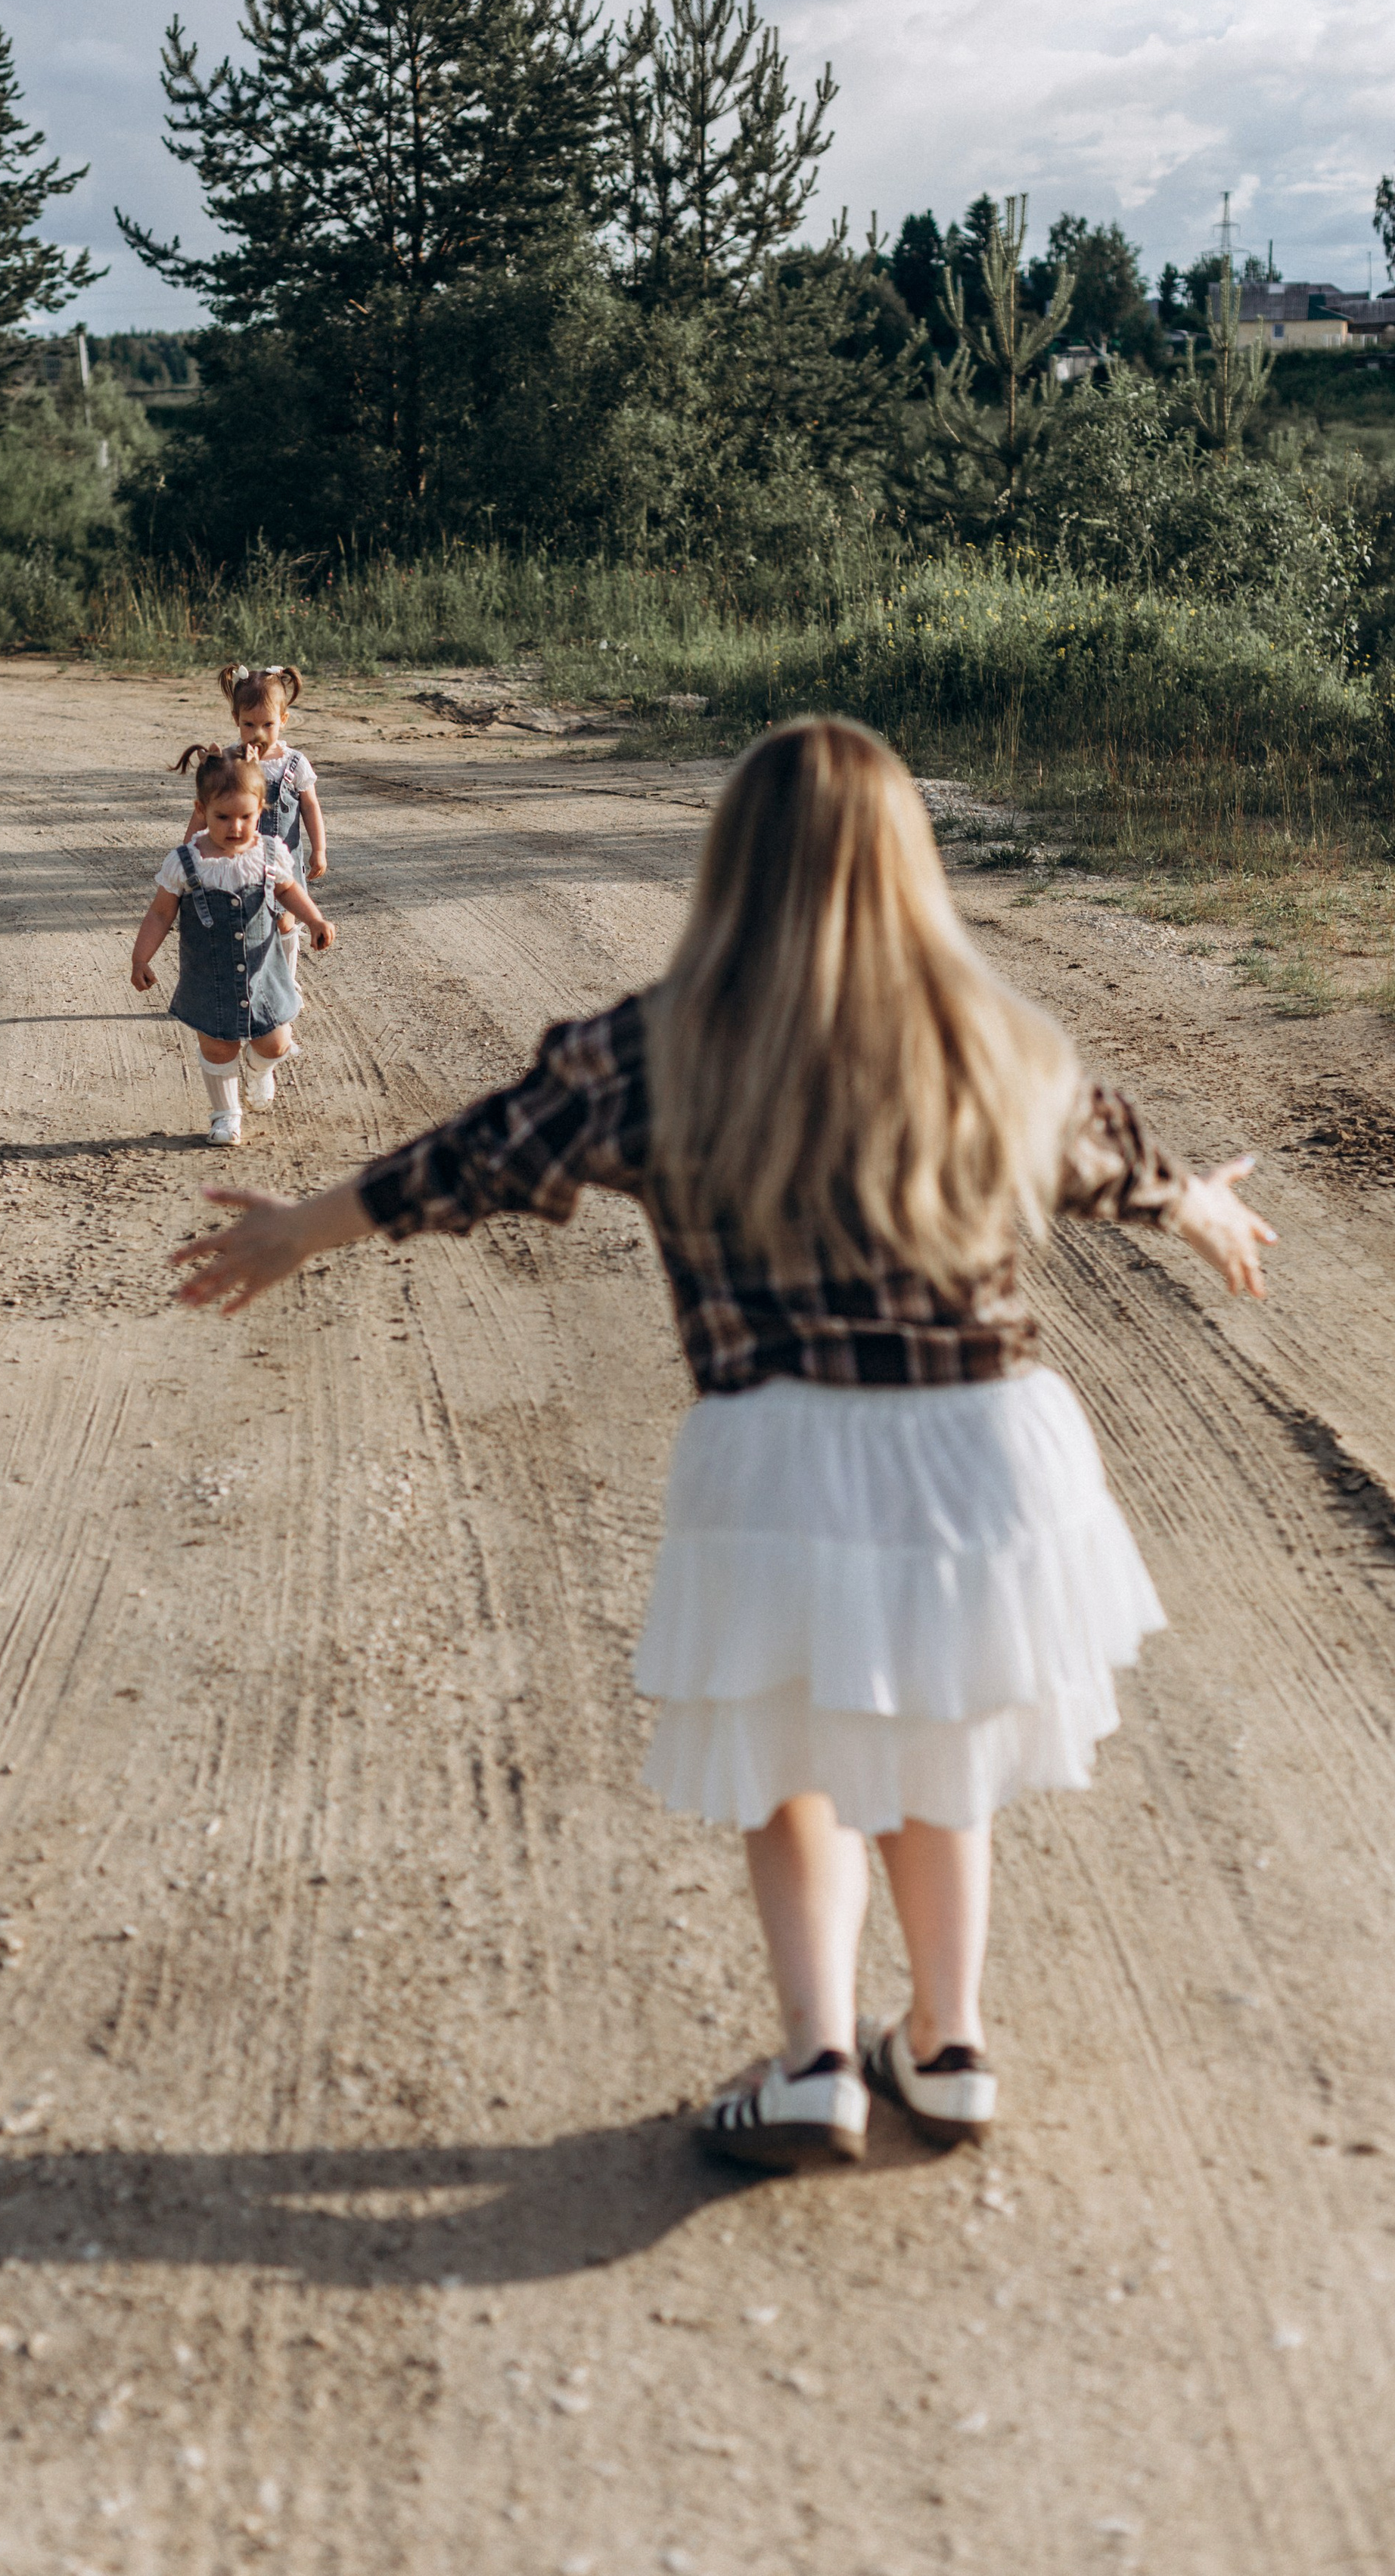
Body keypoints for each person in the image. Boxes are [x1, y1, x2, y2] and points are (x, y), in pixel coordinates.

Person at [169, 718, 1274, 2168]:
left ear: (731, 867)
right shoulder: (979, 1034)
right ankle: (947, 2051)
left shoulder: (659, 1044)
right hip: (987, 1444)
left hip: (790, 1443)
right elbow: (1111, 1149)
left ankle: (816, 2060)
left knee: (793, 1758)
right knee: (936, 1750)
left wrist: (298, 1227)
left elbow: (478, 1160)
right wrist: (1195, 1205)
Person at [134, 747, 335, 1147]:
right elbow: (160, 914)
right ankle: (225, 1115)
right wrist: (141, 957)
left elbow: (289, 889)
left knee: (275, 1043)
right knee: (218, 1046)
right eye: (223, 817)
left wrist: (314, 919)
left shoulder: (269, 853)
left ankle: (261, 1071)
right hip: (209, 977)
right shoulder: (185, 862)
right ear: (202, 810)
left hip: (263, 973)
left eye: (246, 816)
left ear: (261, 809)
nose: (236, 827)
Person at [182, 666, 328, 961]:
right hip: (238, 860)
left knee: (285, 920)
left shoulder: (294, 763)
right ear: (236, 719)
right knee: (243, 921)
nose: (257, 734)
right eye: (248, 724)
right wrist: (189, 850)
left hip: (283, 861)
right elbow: (205, 808)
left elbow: (311, 807)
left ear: (283, 720)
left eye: (268, 725)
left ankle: (286, 982)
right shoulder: (227, 762)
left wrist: (319, 850)